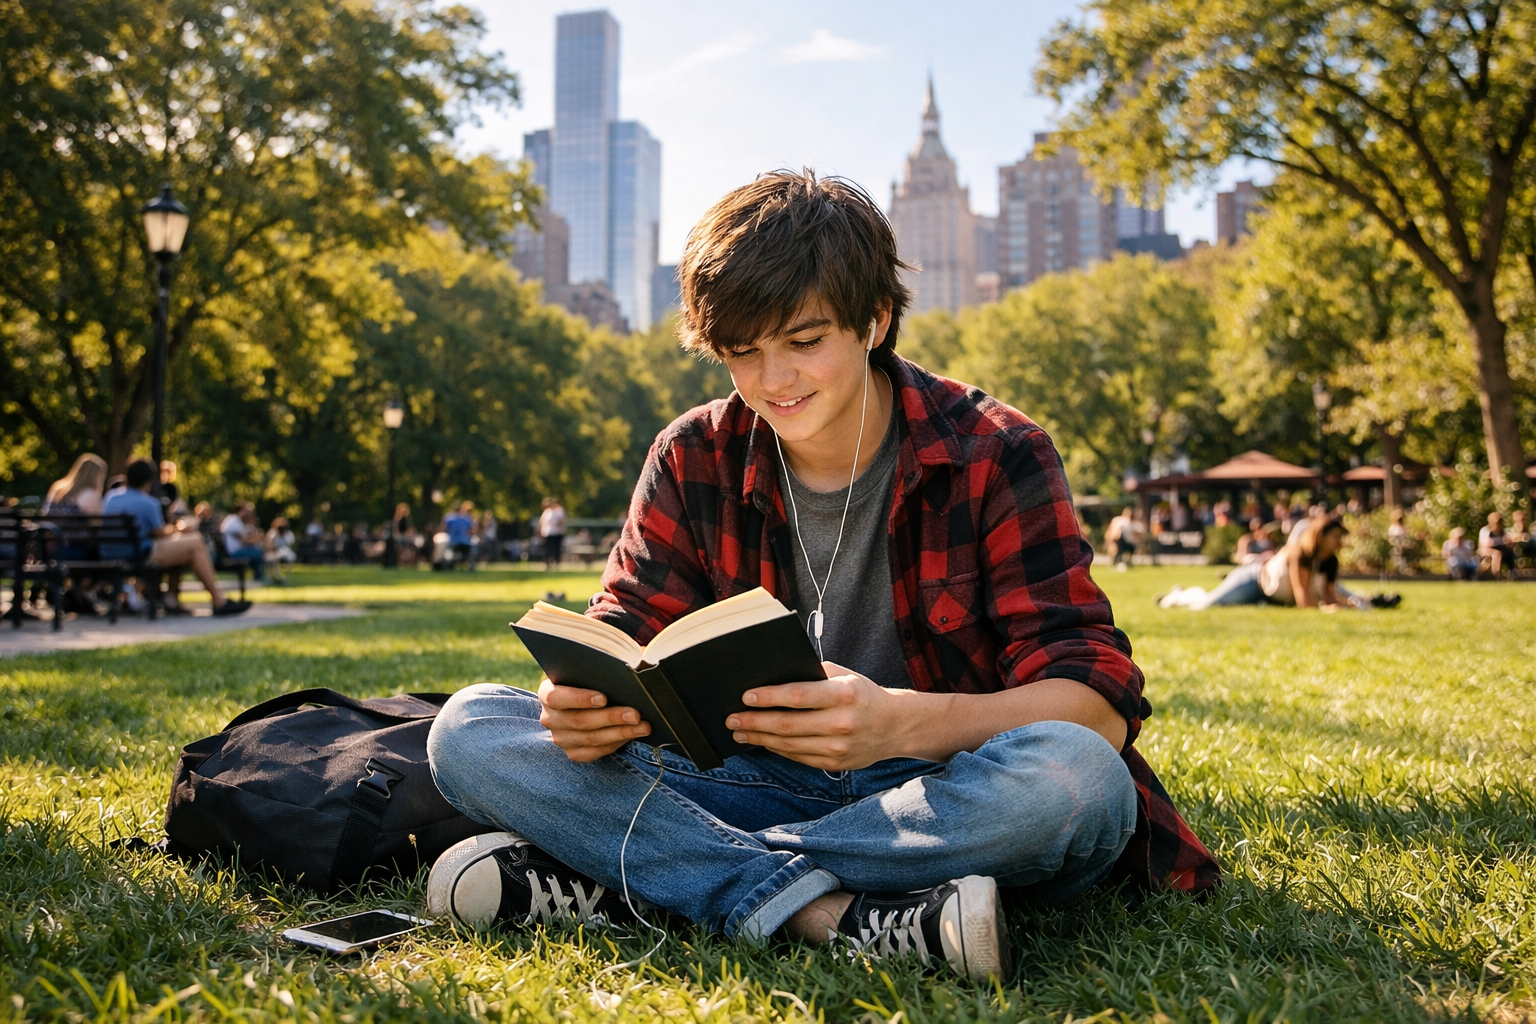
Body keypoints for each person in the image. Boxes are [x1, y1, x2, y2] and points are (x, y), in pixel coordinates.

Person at [424, 171, 1218, 982]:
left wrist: (898, 726)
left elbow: (1096, 710)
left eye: (804, 342)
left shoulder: (996, 450)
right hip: (743, 783)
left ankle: (643, 875)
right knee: (472, 729)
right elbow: (623, 627)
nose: (775, 381)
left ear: (873, 321)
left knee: (1079, 783)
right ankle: (833, 915)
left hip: (941, 791)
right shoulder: (692, 453)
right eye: (743, 352)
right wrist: (585, 706)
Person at [102, 460, 250, 616]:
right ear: (149, 480)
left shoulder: (111, 497)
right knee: (196, 542)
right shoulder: (148, 502)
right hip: (138, 554)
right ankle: (219, 600)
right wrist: (180, 528)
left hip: (109, 553)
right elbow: (160, 532)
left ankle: (171, 599)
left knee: (183, 549)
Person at [1161, 516, 1394, 610]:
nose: (1339, 542)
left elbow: (1329, 596)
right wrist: (1329, 609)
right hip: (1254, 579)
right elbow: (1304, 599)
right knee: (1206, 604)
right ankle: (1177, 596)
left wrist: (1344, 606)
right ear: (1320, 536)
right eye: (1334, 537)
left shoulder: (1330, 562)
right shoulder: (1299, 555)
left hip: (1273, 596)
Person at [42, 454, 108, 514]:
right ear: (96, 476)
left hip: (52, 527)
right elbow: (96, 523)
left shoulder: (58, 487)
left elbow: (45, 512)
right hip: (77, 527)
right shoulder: (92, 495)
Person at [219, 503, 267, 581]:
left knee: (257, 550)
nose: (250, 515)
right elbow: (245, 541)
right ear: (241, 511)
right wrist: (257, 539)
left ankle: (259, 576)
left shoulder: (236, 521)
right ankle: (259, 577)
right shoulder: (233, 521)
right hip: (233, 552)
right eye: (247, 512)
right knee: (258, 551)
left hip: (236, 550)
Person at [1477, 512, 1514, 579]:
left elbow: (1509, 540)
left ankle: (1512, 572)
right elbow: (1485, 544)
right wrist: (1501, 541)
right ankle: (1496, 574)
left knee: (1510, 552)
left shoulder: (1503, 531)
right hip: (1485, 550)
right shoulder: (1485, 530)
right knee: (1497, 554)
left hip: (1500, 549)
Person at [444, 502, 475, 568]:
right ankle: (471, 566)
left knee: (449, 551)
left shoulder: (449, 518)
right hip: (465, 541)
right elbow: (471, 531)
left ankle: (449, 565)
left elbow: (443, 528)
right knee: (469, 553)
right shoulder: (466, 519)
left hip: (453, 541)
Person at [538, 497, 566, 570]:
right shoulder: (547, 511)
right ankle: (547, 563)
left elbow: (561, 521)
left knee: (556, 549)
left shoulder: (559, 510)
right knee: (548, 549)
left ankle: (556, 563)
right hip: (548, 533)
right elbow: (541, 522)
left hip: (557, 533)